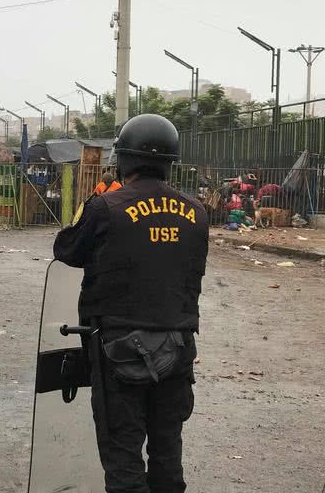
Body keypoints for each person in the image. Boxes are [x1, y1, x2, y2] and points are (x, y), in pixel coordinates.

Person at [53, 114, 209, 493]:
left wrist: (97, 200)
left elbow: (66, 249)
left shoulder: (107, 206)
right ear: (170, 162)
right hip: (178, 347)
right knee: (168, 451)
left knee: (123, 454)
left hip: (119, 349)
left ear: (122, 159)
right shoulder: (197, 212)